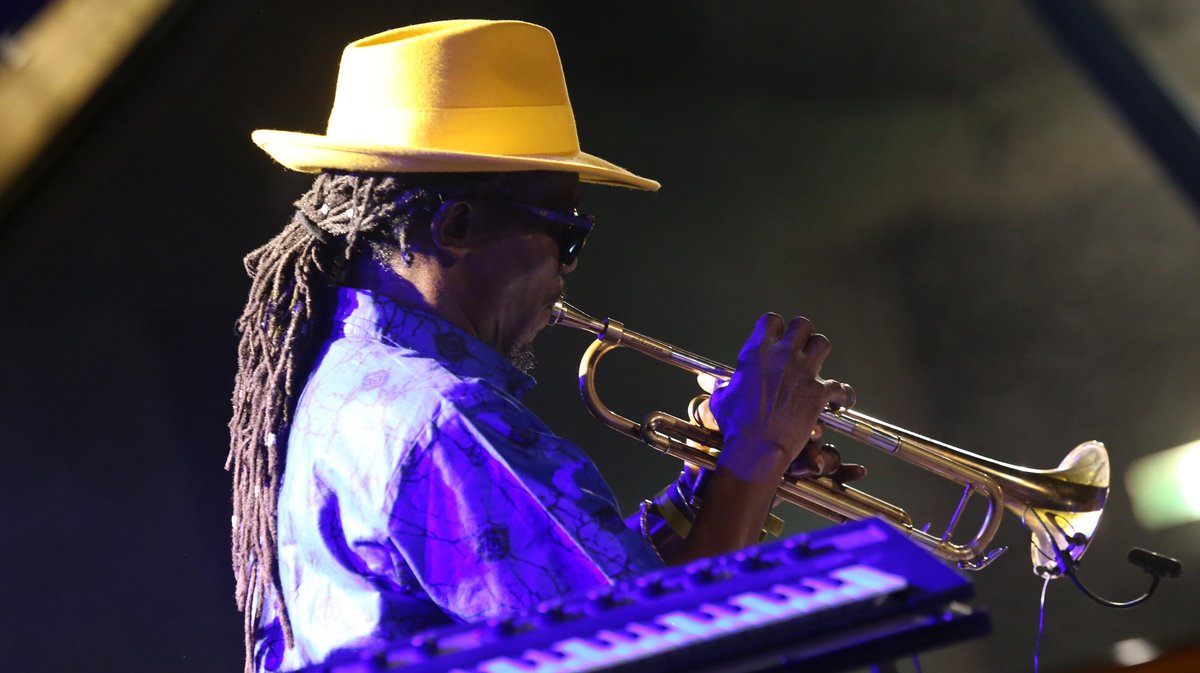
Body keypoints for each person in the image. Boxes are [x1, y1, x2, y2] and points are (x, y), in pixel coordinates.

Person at [227, 19, 859, 673]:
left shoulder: (358, 381)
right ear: (459, 226)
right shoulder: (444, 415)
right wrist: (757, 452)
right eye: (567, 234)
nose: (570, 268)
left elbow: (572, 606)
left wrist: (709, 485)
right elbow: (658, 649)